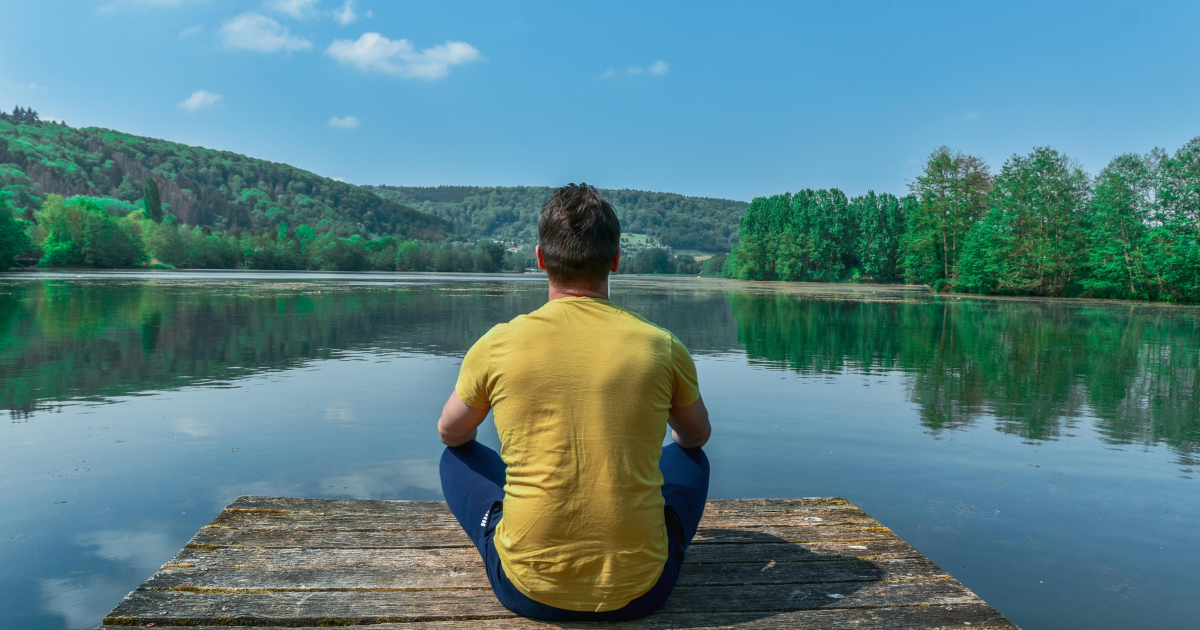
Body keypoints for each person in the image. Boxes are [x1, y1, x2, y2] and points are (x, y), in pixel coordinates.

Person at [437, 183, 712, 621]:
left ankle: (514, 529)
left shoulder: (498, 343)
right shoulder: (660, 345)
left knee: (455, 458)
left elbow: (451, 432)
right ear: (616, 260)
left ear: (541, 257)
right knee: (691, 459)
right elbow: (696, 436)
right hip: (644, 591)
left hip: (526, 590)